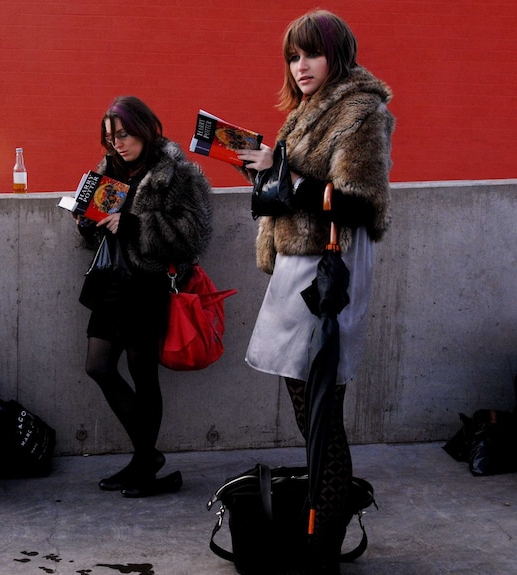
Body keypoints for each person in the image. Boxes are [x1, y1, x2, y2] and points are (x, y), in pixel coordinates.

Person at [235, 10, 394, 574]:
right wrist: (269, 169)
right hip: (301, 269)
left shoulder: (360, 111)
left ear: (338, 54)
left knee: (322, 414)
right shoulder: (307, 111)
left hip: (328, 275)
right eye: (293, 56)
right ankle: (320, 529)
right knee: (312, 413)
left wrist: (286, 177)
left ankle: (322, 544)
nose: (301, 66)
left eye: (311, 53)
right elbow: (300, 187)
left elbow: (359, 201)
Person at [75, 96, 212, 497]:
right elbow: (95, 234)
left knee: (142, 372)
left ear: (145, 127)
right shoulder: (108, 171)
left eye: (123, 134)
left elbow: (194, 234)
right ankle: (148, 458)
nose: (117, 143)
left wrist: (134, 224)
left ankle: (144, 463)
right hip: (111, 283)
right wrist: (87, 222)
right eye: (110, 137)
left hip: (149, 285)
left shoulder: (176, 172)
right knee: (98, 366)